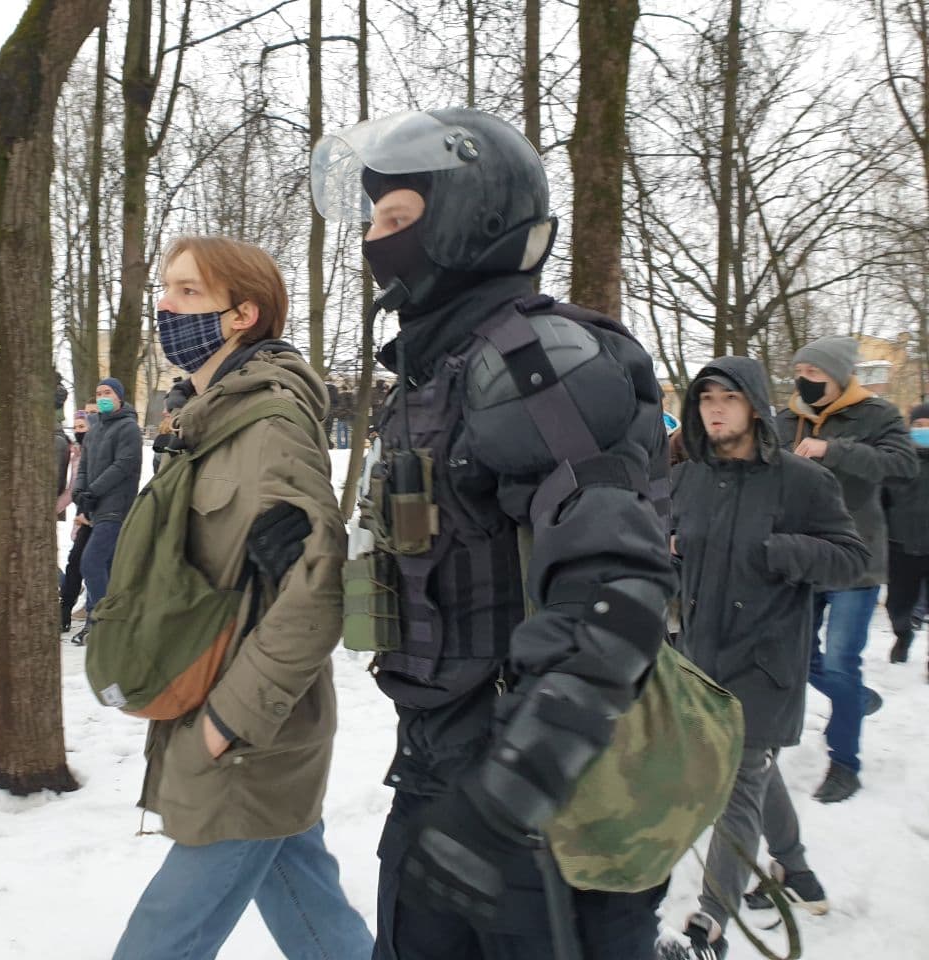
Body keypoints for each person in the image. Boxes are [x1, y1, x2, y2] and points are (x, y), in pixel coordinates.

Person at [312, 108, 676, 959]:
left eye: (396, 218)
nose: (373, 240)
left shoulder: (531, 364)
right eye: (371, 220)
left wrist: (510, 794)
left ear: (467, 221)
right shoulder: (439, 370)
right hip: (440, 772)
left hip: (543, 809)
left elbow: (619, 592)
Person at [111, 235, 372, 960]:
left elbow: (320, 590)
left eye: (189, 291)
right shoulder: (204, 421)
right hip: (234, 723)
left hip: (249, 739)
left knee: (159, 941)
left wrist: (228, 723)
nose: (166, 306)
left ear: (242, 315)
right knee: (315, 919)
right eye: (166, 289)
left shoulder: (270, 426)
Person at [666, 360, 868, 959]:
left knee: (737, 780)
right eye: (706, 398)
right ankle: (795, 868)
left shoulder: (802, 481)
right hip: (700, 659)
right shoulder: (686, 479)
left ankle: (710, 926)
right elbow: (672, 552)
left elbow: (852, 558)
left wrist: (779, 551)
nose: (715, 408)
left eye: (728, 397)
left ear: (754, 405)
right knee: (754, 767)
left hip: (766, 659)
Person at [776, 335, 917, 801]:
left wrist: (831, 450)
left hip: (857, 559)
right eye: (800, 372)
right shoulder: (785, 419)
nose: (805, 380)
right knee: (799, 657)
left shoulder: (876, 414)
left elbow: (903, 465)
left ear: (838, 376)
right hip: (803, 556)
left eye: (815, 373)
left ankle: (844, 763)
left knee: (840, 660)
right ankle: (854, 698)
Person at [70, 377, 140, 643]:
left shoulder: (128, 427)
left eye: (107, 392)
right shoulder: (95, 428)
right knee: (107, 566)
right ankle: (111, 623)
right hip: (95, 507)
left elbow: (123, 465)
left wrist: (93, 490)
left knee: (91, 562)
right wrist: (80, 492)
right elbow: (84, 465)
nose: (102, 398)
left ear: (119, 396)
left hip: (116, 506)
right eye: (98, 393)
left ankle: (99, 621)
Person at [885, 402, 929, 670]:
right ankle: (903, 634)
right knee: (897, 606)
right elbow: (880, 500)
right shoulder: (896, 461)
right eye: (919, 425)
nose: (924, 430)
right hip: (901, 546)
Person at [57, 412, 92, 634]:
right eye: (76, 427)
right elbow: (73, 489)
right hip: (83, 514)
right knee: (76, 562)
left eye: (83, 426)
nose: (79, 431)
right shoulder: (78, 454)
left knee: (91, 563)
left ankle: (92, 610)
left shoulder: (97, 449)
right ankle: (65, 611)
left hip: (100, 512)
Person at [335, 379, 355, 449]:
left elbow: (339, 406)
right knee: (347, 432)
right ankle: (346, 446)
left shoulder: (340, 396)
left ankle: (340, 446)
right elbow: (352, 406)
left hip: (340, 417)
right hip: (348, 417)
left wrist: (337, 413)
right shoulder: (351, 396)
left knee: (339, 432)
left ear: (342, 389)